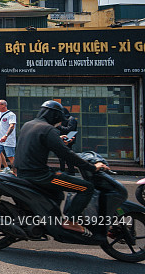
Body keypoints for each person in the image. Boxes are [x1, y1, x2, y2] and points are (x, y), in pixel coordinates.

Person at [15, 100, 110, 235]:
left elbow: (40, 142)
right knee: (86, 188)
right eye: (58, 119)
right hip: (40, 176)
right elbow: (66, 154)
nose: (59, 122)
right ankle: (70, 221)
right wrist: (92, 167)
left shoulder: (29, 125)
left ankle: (49, 221)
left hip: (23, 172)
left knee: (58, 193)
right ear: (53, 116)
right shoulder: (48, 129)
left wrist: (58, 138)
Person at [0, 99, 16, 174]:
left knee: (10, 157)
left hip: (8, 139)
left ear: (4, 105)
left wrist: (6, 136)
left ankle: (16, 172)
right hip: (0, 139)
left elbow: (12, 126)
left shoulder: (11, 115)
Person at [58, 107, 79, 175]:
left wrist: (59, 127)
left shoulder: (71, 119)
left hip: (69, 138)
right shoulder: (66, 119)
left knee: (67, 156)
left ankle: (70, 170)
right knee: (62, 156)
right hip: (64, 138)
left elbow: (70, 129)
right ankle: (63, 170)